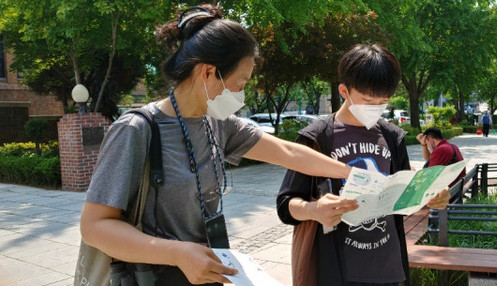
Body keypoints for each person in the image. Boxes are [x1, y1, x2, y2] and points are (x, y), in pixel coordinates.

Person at [78, 5, 354, 285]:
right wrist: (176, 253)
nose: (241, 94)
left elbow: (287, 152)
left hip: (205, 274)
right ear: (208, 72)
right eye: (239, 82)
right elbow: (95, 227)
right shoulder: (135, 130)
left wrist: (350, 174)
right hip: (152, 276)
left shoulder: (218, 123)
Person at [276, 44, 450, 286]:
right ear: (344, 91)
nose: (376, 108)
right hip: (337, 270)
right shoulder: (318, 138)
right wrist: (314, 210)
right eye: (368, 100)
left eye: (384, 101)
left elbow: (402, 198)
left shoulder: (392, 137)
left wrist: (428, 197)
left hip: (388, 267)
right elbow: (286, 205)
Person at [416, 127, 467, 191]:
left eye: (427, 143)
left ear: (431, 140)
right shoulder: (451, 146)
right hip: (456, 187)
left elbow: (429, 175)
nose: (428, 146)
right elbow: (428, 159)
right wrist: (423, 145)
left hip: (450, 192)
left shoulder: (440, 150)